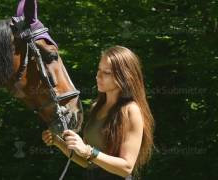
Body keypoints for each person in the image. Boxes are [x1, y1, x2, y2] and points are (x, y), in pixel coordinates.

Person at [42, 46, 154, 180]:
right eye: (99, 69)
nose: (98, 76)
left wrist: (88, 151)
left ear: (124, 76)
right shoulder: (96, 107)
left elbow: (126, 168)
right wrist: (57, 141)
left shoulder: (131, 110)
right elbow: (86, 161)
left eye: (106, 72)